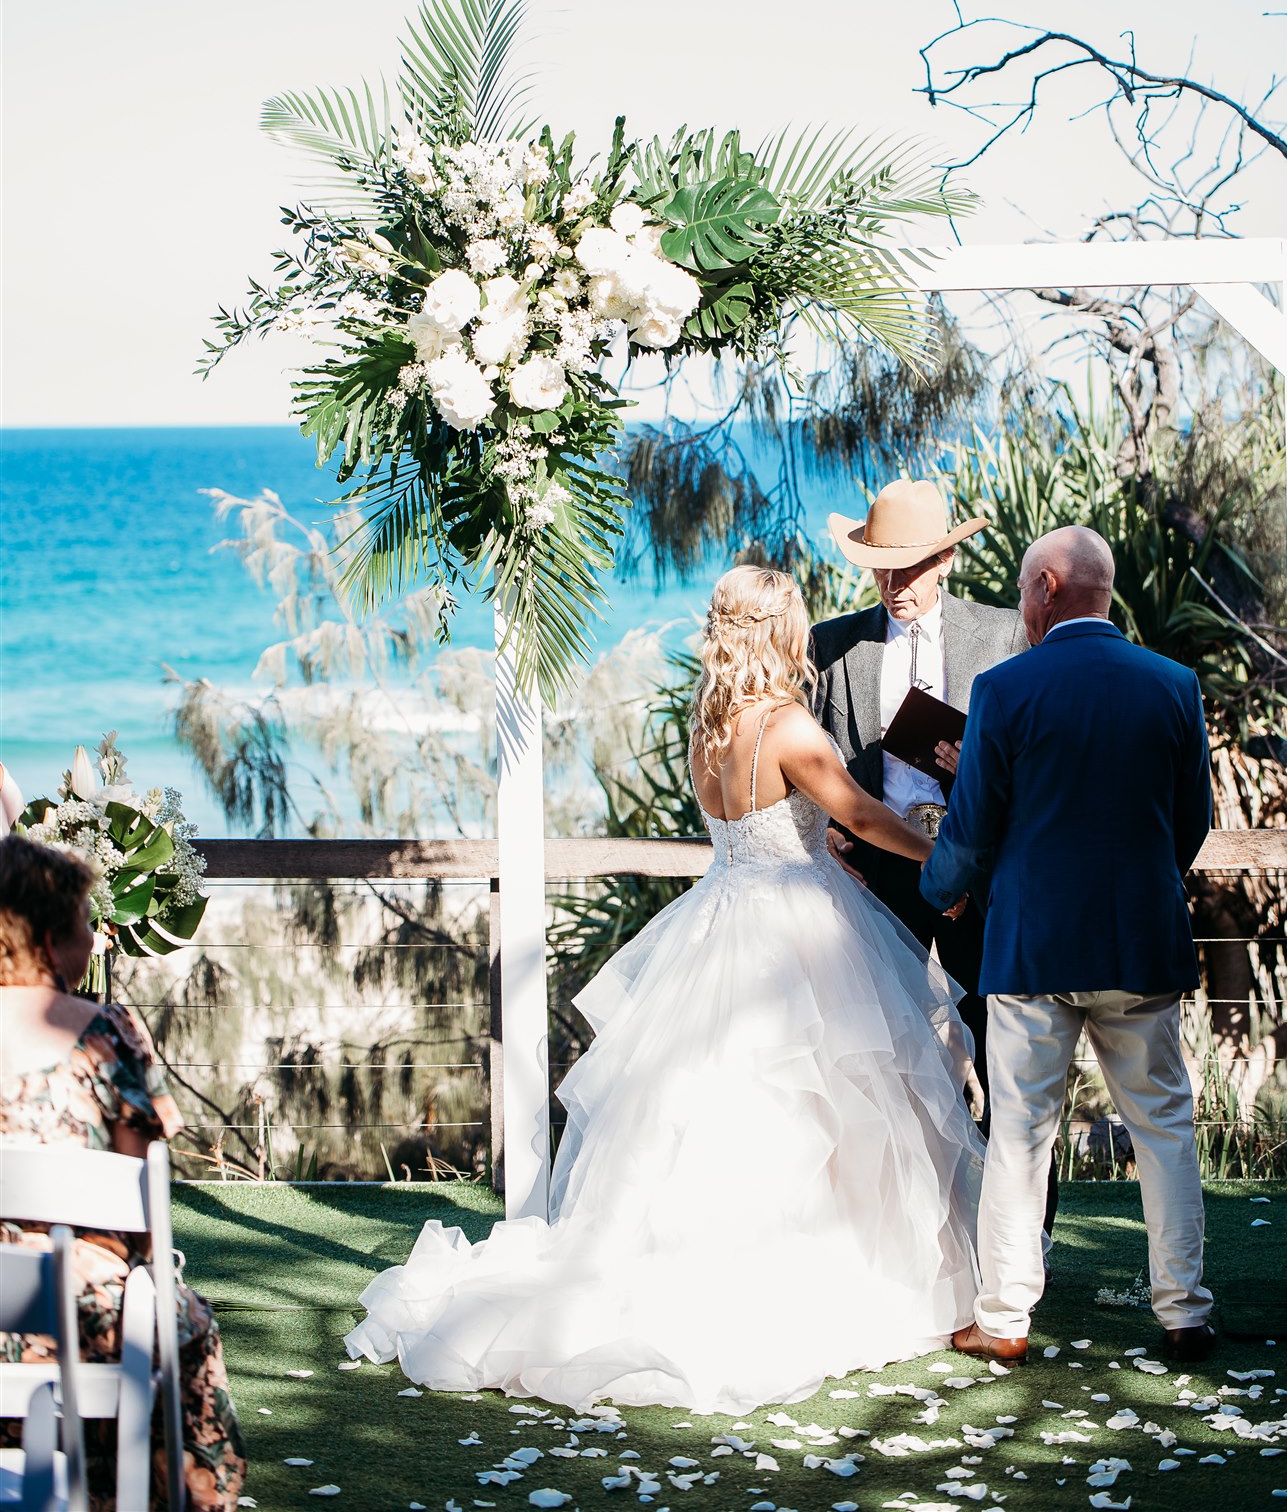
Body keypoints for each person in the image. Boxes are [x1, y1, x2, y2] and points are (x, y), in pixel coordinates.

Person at [347, 566, 985, 1412]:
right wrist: (947, 861)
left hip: (721, 915)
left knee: (724, 1112)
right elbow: (861, 817)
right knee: (822, 1102)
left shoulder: (709, 726)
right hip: (793, 926)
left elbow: (750, 829)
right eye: (794, 621)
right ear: (778, 632)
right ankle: (818, 1277)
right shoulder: (789, 726)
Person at [921, 525, 1216, 1363]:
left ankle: (1004, 1321)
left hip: (1033, 949)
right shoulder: (1173, 685)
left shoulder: (1004, 689)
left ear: (1047, 586)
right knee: (1163, 1125)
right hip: (1137, 943)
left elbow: (972, 830)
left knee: (1020, 1134)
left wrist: (934, 890)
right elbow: (1187, 822)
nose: (1020, 604)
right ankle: (1184, 1313)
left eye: (1022, 589)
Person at [0, 834, 247, 1511]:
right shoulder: (105, 1031)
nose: (97, 940)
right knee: (176, 1319)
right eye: (86, 923)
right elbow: (139, 1198)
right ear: (50, 941)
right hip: (79, 1314)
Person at [812, 478, 1027, 1114]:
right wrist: (824, 828)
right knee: (878, 1055)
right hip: (875, 881)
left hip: (979, 881)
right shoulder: (833, 645)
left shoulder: (1004, 637)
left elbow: (1033, 765)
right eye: (881, 569)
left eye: (907, 569)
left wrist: (975, 770)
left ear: (944, 561)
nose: (892, 584)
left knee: (1002, 1053)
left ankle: (1022, 1217)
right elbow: (807, 756)